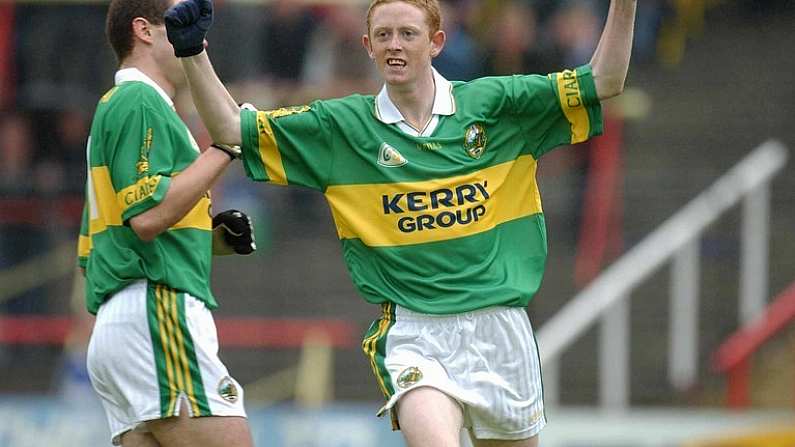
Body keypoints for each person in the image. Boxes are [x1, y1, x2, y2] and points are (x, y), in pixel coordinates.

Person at [166, 0, 637, 445]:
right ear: (368, 46)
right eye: (384, 35)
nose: (395, 45)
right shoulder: (342, 128)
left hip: (502, 329)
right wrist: (191, 52)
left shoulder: (497, 104)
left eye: (408, 34)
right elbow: (231, 131)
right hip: (416, 333)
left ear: (436, 42)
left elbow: (604, 80)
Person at [76, 0, 256, 445]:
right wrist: (224, 147)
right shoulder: (140, 101)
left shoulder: (120, 107)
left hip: (122, 325)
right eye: (180, 24)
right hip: (156, 316)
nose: (201, 39)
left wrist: (211, 239)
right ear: (145, 31)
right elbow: (148, 215)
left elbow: (104, 243)